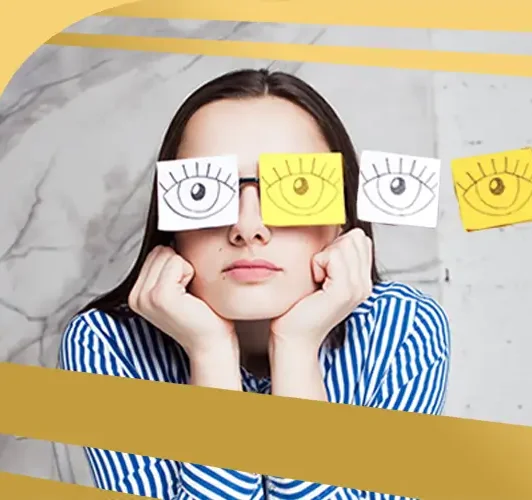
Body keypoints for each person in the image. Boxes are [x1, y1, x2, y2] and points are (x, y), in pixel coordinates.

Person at [58, 68, 451, 500]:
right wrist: (210, 354)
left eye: (297, 187)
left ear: (342, 215)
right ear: (171, 223)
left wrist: (297, 348)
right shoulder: (109, 345)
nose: (248, 226)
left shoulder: (403, 329)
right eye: (203, 192)